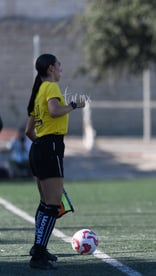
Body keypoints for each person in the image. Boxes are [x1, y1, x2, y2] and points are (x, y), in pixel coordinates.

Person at [25, 53, 85, 270]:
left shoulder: (38, 90)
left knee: (45, 204)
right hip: (49, 147)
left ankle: (38, 248)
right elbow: (54, 111)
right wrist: (74, 106)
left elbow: (28, 131)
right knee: (52, 205)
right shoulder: (50, 87)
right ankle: (38, 256)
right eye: (59, 66)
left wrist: (41, 146)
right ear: (51, 68)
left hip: (40, 147)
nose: (61, 69)